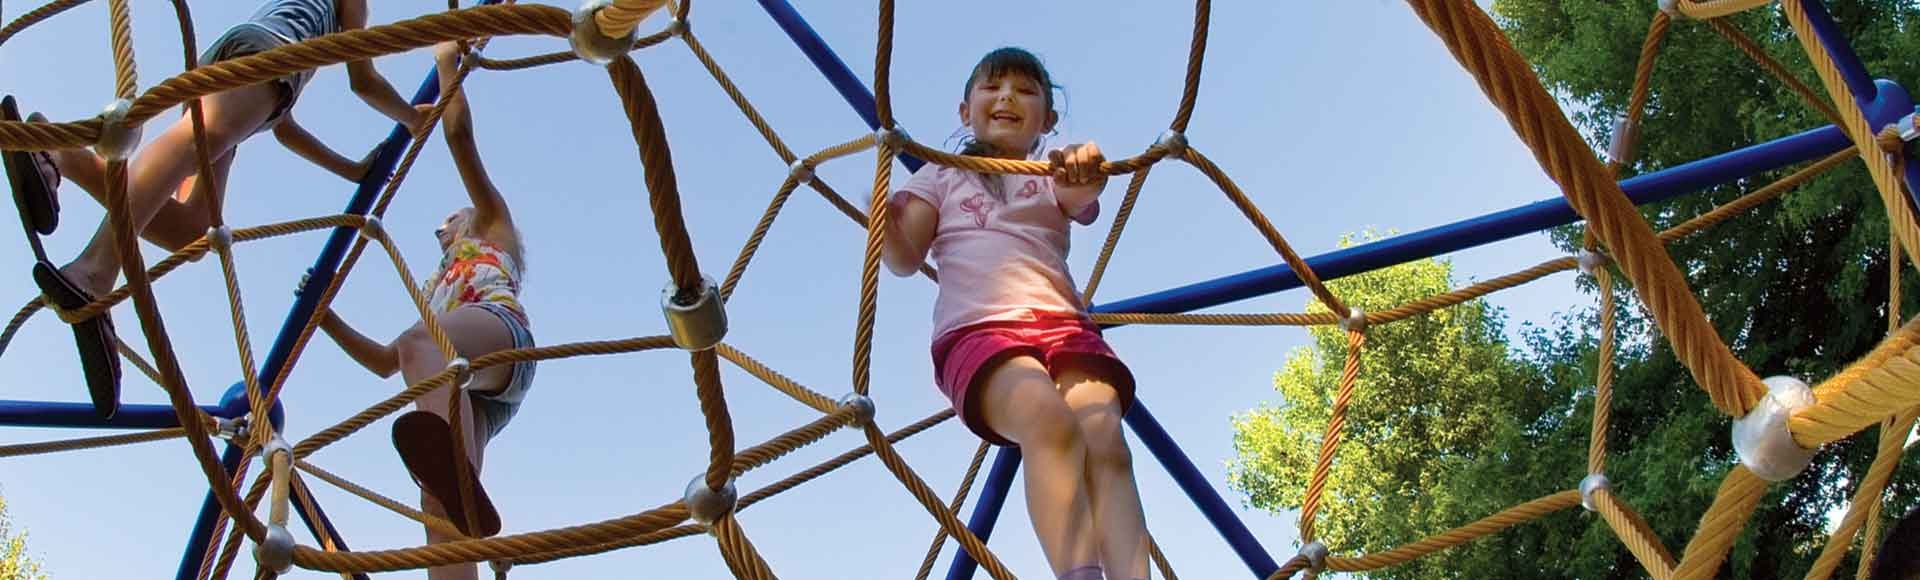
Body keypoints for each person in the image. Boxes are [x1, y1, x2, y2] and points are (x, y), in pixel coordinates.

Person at [3, 0, 433, 419]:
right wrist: (413, 121)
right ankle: (94, 270)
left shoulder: (304, 27)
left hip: (251, 59)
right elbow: (363, 79)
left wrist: (352, 170)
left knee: (190, 228)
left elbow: (286, 130)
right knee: (203, 135)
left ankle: (64, 154)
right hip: (266, 56)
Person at [880, 47, 1149, 580]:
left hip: (1065, 325)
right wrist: (885, 226)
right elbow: (905, 258)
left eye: (1026, 91)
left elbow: (1079, 193)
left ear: (1046, 121)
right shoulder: (939, 175)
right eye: (993, 87)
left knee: (1107, 442)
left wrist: (1085, 166)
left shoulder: (1050, 173)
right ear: (965, 111)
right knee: (1047, 421)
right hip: (979, 331)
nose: (1007, 97)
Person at [315, 41, 530, 580]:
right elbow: (388, 362)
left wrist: (444, 63)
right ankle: (451, 481)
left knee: (421, 343)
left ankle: (448, 465)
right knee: (439, 511)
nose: (440, 228)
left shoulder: (494, 228)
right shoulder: (437, 288)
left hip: (501, 339)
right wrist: (326, 318)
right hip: (472, 396)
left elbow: (457, 136)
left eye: (447, 218)